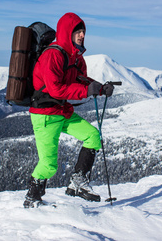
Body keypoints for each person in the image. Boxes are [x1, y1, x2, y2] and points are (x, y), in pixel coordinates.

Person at [23, 12, 114, 208]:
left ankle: (78, 183)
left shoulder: (77, 58)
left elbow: (81, 81)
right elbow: (55, 89)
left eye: (83, 31)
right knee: (49, 165)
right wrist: (86, 90)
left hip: (62, 111)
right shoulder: (53, 55)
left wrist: (99, 88)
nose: (82, 35)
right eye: (77, 31)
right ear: (67, 32)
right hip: (45, 115)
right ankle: (32, 198)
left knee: (93, 136)